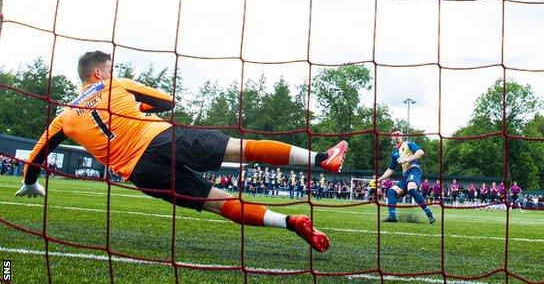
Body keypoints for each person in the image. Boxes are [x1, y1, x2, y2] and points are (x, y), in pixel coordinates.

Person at [14, 50, 348, 253]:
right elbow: (167, 102)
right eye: (111, 68)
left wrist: (30, 183)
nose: (112, 73)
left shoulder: (63, 117)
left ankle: (291, 223)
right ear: (100, 73)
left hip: (142, 172)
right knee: (242, 149)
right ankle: (321, 160)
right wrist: (136, 107)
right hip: (161, 138)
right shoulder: (117, 84)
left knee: (217, 202)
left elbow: (36, 157)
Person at [377, 129, 435, 224]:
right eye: (394, 135)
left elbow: (420, 152)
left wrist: (408, 159)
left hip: (414, 170)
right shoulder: (394, 153)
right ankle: (392, 216)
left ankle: (429, 213)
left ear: (402, 135)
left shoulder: (408, 144)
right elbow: (390, 170)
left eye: (398, 134)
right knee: (391, 192)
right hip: (405, 175)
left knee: (411, 189)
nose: (396, 136)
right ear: (392, 137)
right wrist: (379, 179)